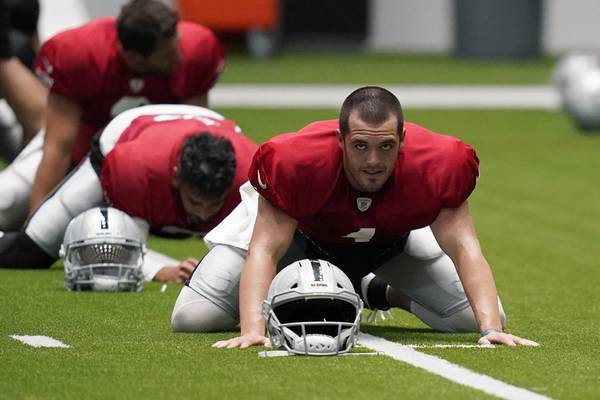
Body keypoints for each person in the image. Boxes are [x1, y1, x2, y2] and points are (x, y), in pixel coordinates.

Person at [172, 86, 538, 348]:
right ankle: (294, 291)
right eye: (361, 146)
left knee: (480, 318)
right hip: (300, 239)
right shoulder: (295, 163)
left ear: (403, 140)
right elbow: (266, 248)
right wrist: (253, 327)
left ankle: (377, 291)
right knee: (193, 318)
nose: (374, 161)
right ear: (340, 139)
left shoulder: (439, 165)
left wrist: (490, 329)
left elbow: (465, 247)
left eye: (386, 147)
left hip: (389, 243)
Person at [0, 0, 224, 230]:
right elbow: (58, 147)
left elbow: (197, 135)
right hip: (81, 158)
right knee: (5, 203)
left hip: (152, 172)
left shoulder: (196, 50)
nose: (178, 56)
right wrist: (36, 228)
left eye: (177, 44)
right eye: (168, 53)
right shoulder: (80, 53)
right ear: (134, 57)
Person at [0, 104, 257, 283]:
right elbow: (127, 245)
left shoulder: (252, 175)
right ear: (176, 177)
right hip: (124, 138)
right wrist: (161, 270)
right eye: (194, 201)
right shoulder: (136, 169)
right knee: (30, 250)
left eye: (214, 204)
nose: (202, 214)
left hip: (194, 137)